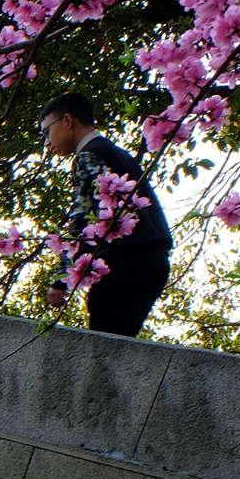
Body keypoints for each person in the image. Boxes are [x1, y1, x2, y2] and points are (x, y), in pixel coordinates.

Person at [39, 93, 174, 337]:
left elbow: (84, 217)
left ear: (68, 121)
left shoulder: (88, 155)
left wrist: (61, 279)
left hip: (124, 265)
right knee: (122, 345)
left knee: (104, 353)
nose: (47, 143)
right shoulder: (119, 154)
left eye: (47, 132)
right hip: (155, 262)